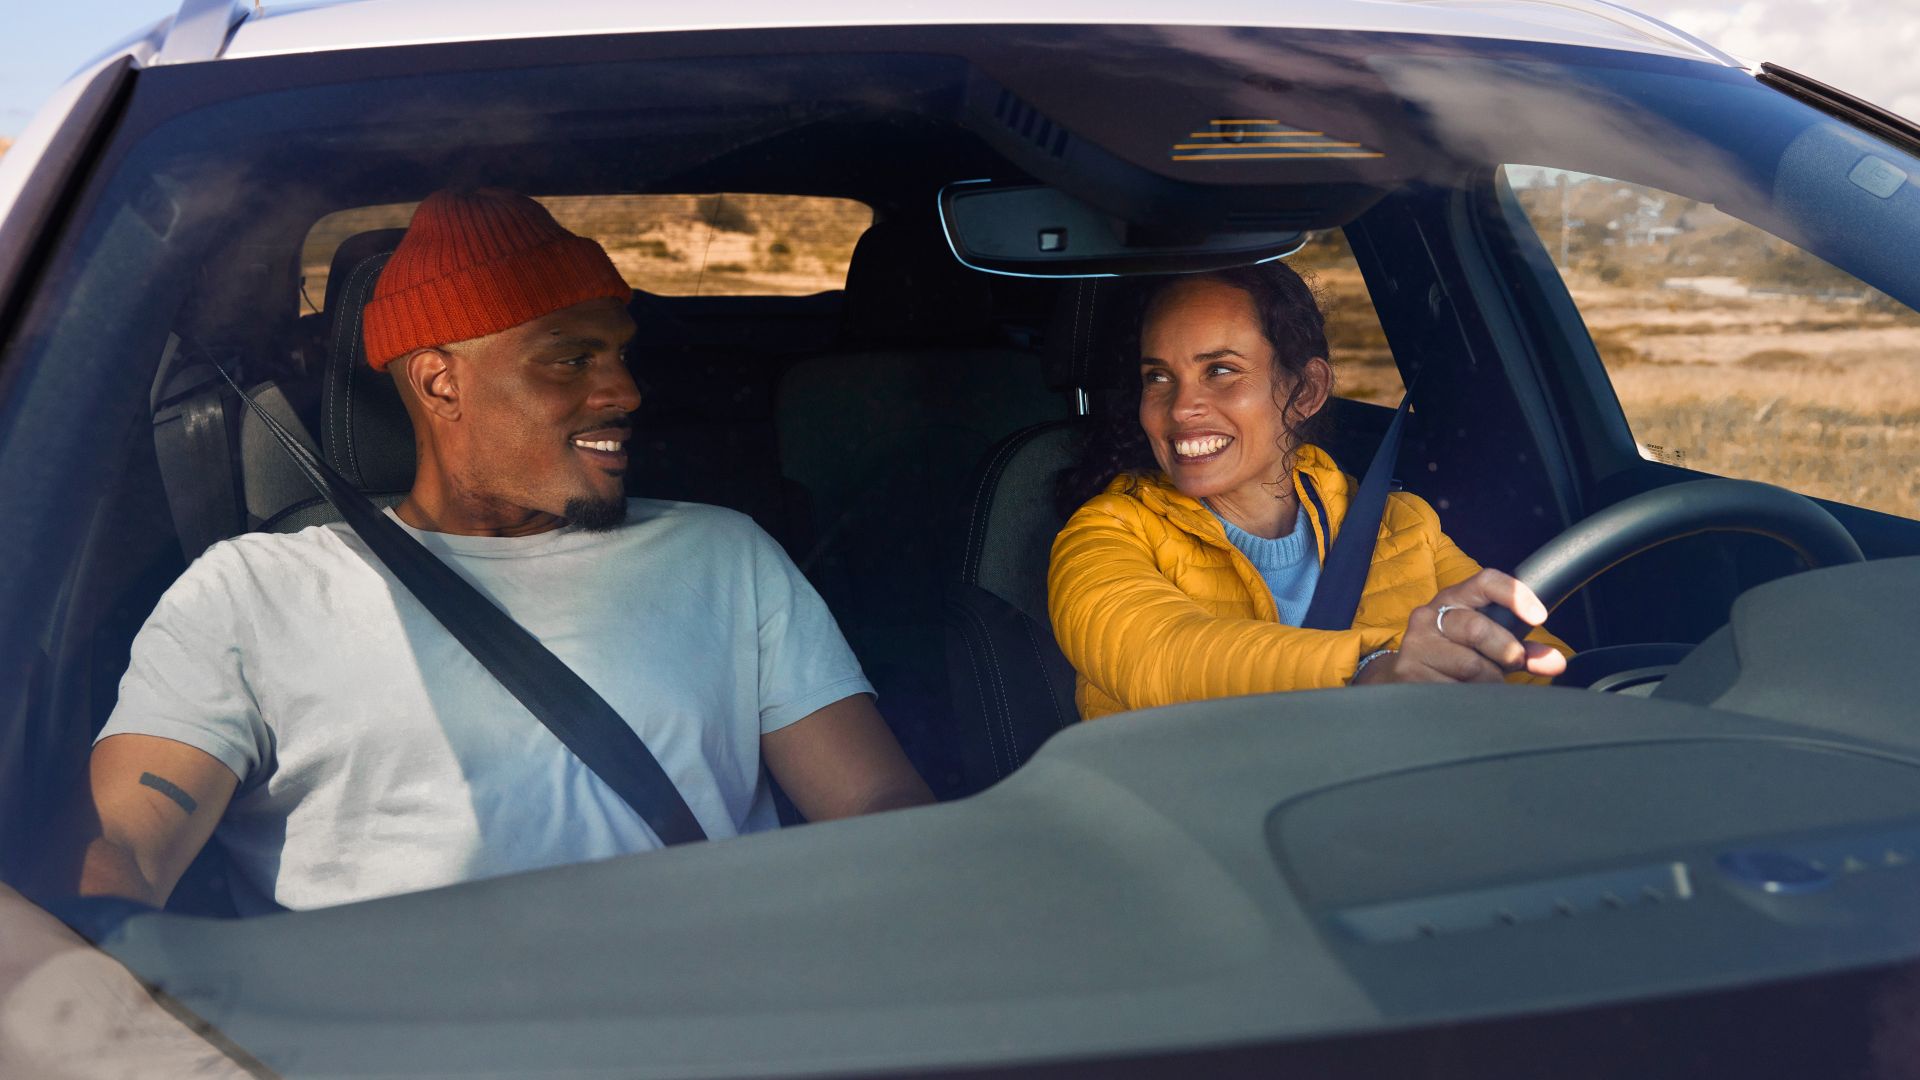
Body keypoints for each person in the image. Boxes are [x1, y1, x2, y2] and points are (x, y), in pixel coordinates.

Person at [66, 188, 932, 913]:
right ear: (441, 381)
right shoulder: (251, 594)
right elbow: (126, 847)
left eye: (622, 355)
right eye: (570, 359)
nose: (625, 390)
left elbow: (879, 809)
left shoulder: (725, 556)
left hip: (713, 1032)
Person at [1049, 263, 1568, 722]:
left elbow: (1534, 671)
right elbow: (1159, 656)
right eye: (1159, 377)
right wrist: (1372, 671)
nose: (1182, 407)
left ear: (1306, 392)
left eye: (1221, 371)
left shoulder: (1402, 526)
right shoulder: (1104, 534)